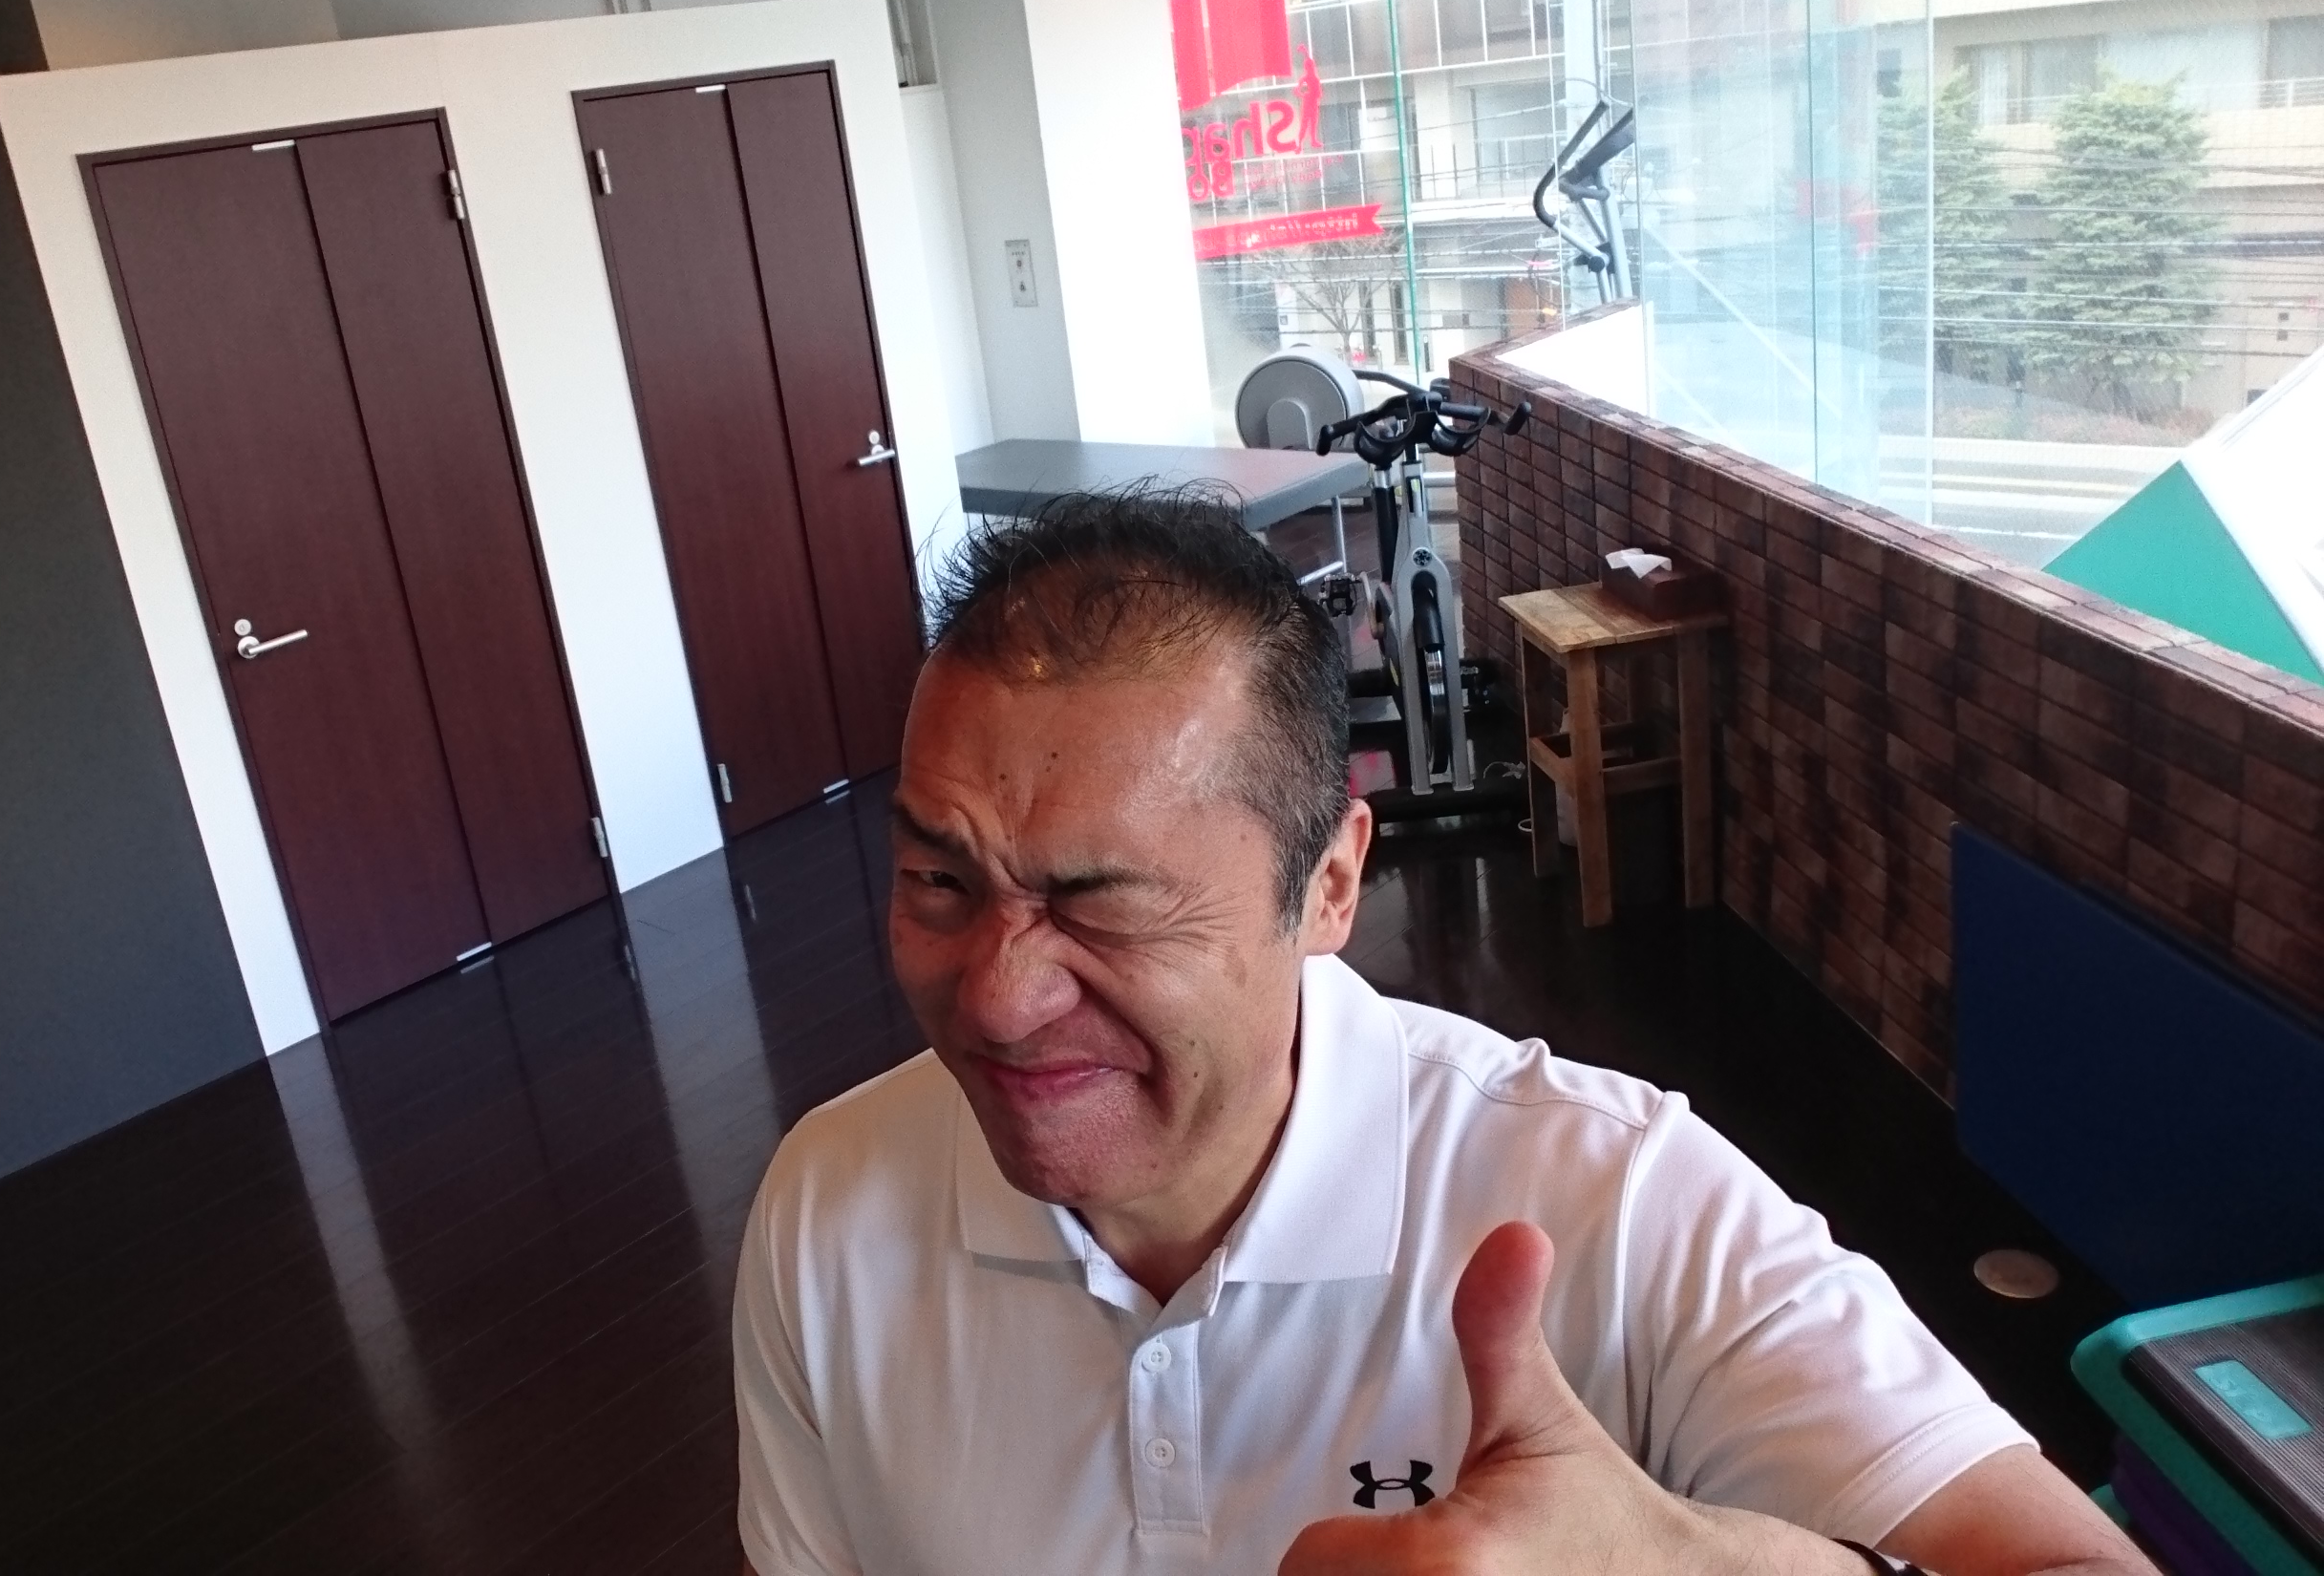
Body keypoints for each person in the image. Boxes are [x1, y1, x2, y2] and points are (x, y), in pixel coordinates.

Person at [733, 493, 2151, 1576]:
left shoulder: (1618, 1201)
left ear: (1330, 885)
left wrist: (1705, 1568)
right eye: (940, 881)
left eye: (1101, 905)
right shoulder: (828, 1207)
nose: (995, 998)